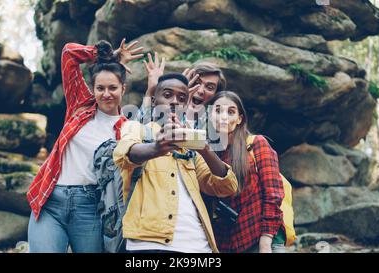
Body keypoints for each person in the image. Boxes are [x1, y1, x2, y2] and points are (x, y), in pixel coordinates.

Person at [26, 39, 144, 253]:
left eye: (112, 88)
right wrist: (107, 57)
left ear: (123, 89)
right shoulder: (80, 105)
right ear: (93, 89)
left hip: (90, 206)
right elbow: (68, 54)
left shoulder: (128, 129)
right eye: (100, 88)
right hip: (51, 200)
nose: (106, 93)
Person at [113, 72, 238, 253]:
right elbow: (124, 154)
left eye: (181, 98)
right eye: (167, 95)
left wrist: (203, 147)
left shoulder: (192, 146)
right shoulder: (137, 129)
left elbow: (226, 186)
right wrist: (156, 148)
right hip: (149, 244)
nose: (174, 102)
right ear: (154, 101)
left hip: (199, 247)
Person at [207, 91, 286, 253]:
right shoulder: (208, 153)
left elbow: (273, 193)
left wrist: (266, 241)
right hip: (225, 242)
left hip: (260, 237)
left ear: (239, 119)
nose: (223, 117)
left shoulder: (256, 144)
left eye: (230, 112)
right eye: (218, 110)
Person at [136, 53, 226, 129]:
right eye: (195, 82)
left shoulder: (214, 125)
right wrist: (151, 90)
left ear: (216, 95)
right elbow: (136, 132)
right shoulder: (161, 111)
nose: (200, 91)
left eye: (209, 87)